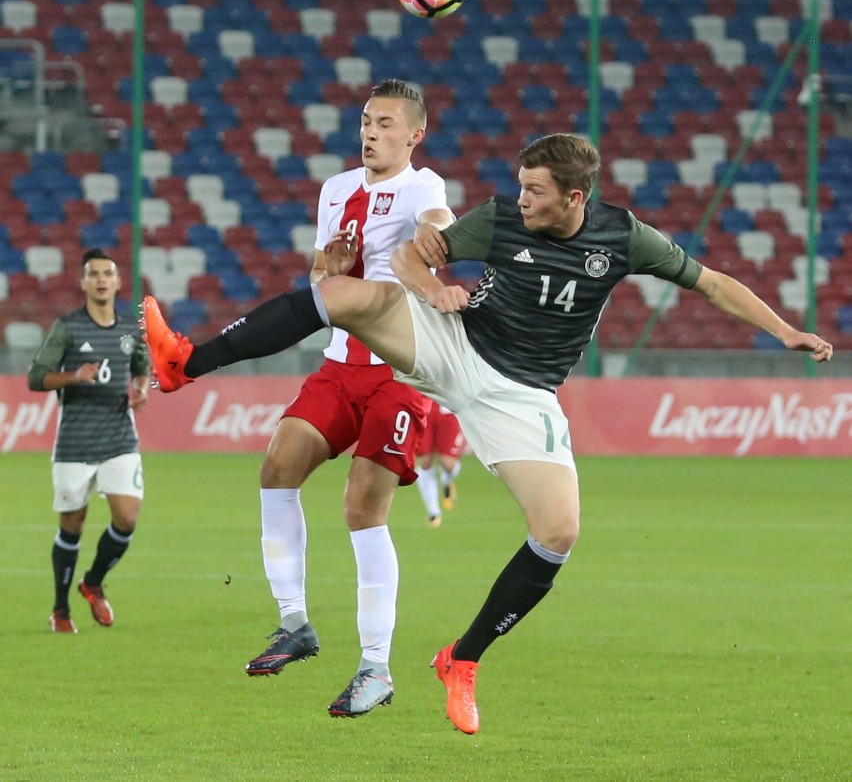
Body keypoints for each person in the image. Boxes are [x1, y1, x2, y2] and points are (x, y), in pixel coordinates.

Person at [142, 133, 833, 734]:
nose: (522, 199)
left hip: (523, 395)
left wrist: (785, 332)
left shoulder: (623, 237)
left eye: (536, 190)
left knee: (558, 532)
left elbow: (710, 283)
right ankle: (185, 363)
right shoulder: (499, 218)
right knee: (345, 296)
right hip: (456, 343)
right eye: (521, 187)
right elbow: (418, 255)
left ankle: (462, 658)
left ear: (574, 195)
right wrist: (432, 286)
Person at [242, 79, 454, 717]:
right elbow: (317, 279)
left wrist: (443, 233)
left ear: (413, 135)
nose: (369, 131)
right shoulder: (335, 190)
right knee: (277, 466)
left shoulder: (424, 188)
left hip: (397, 370)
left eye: (385, 122)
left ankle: (375, 668)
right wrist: (327, 267)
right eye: (365, 120)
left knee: (363, 507)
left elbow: (438, 224)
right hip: (339, 365)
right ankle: (295, 624)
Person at [28, 248, 150, 633]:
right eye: (93, 273)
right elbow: (35, 377)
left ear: (117, 282)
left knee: (127, 518)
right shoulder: (67, 329)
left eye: (107, 273)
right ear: (83, 282)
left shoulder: (130, 329)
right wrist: (73, 376)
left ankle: (93, 582)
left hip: (118, 436)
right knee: (72, 524)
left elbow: (141, 367)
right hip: (75, 442)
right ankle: (60, 609)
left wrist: (142, 387)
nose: (100, 279)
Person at [415, 401, 465, 527]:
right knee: (425, 461)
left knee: (448, 464)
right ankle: (433, 512)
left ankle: (447, 480)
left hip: (447, 408)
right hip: (424, 407)